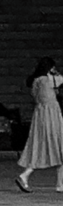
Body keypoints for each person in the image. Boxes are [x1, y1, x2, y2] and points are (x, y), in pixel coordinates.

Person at [18, 58, 63, 192]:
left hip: (40, 115)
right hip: (52, 115)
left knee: (43, 147)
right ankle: (59, 184)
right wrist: (55, 73)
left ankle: (60, 184)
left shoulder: (36, 81)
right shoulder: (48, 80)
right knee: (60, 147)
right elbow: (60, 79)